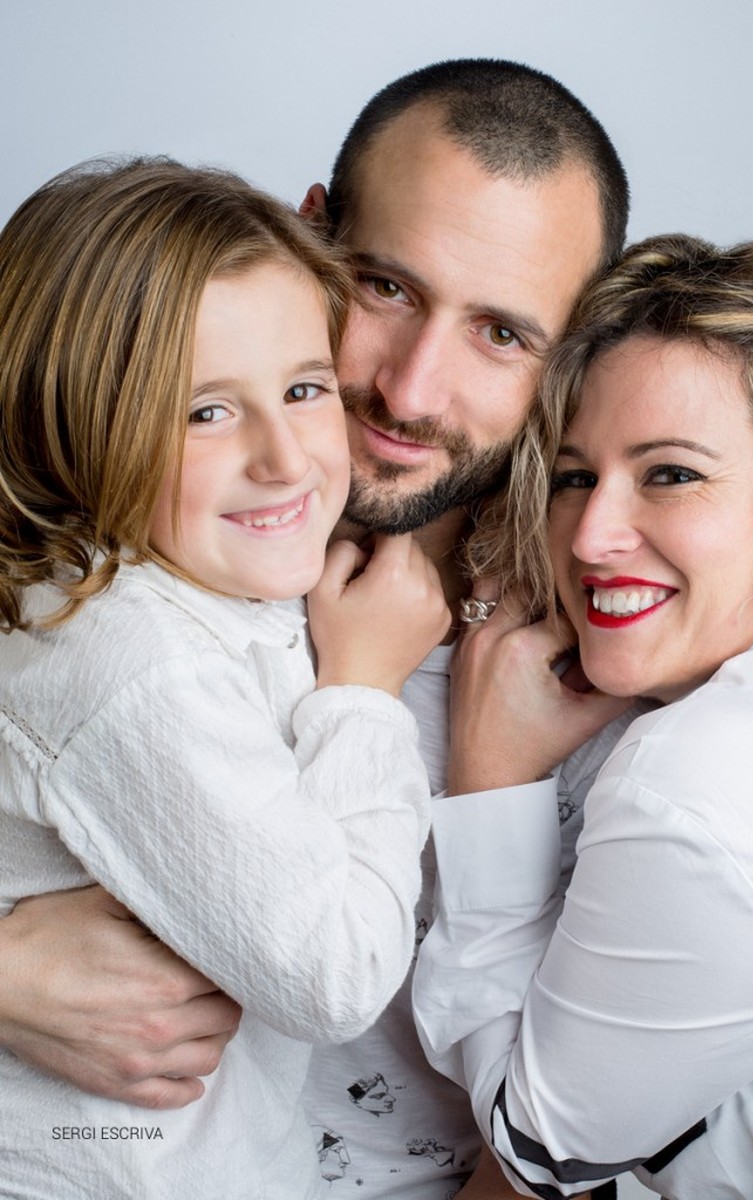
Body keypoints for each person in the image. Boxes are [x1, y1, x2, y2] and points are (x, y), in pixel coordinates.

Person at [0, 60, 630, 1199]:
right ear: (311, 240)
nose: (412, 391)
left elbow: (585, 1118)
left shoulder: (608, 642)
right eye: (385, 288)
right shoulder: (90, 558)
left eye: (501, 333)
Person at [413, 232, 753, 1198]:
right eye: (574, 477)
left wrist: (491, 780)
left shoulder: (702, 779)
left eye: (671, 474)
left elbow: (538, 1153)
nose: (592, 536)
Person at [0, 156, 450, 1199]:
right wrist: (363, 691)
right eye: (205, 412)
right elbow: (335, 973)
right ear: (70, 419)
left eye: (304, 389)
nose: (285, 457)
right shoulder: (130, 659)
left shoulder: (196, 577)